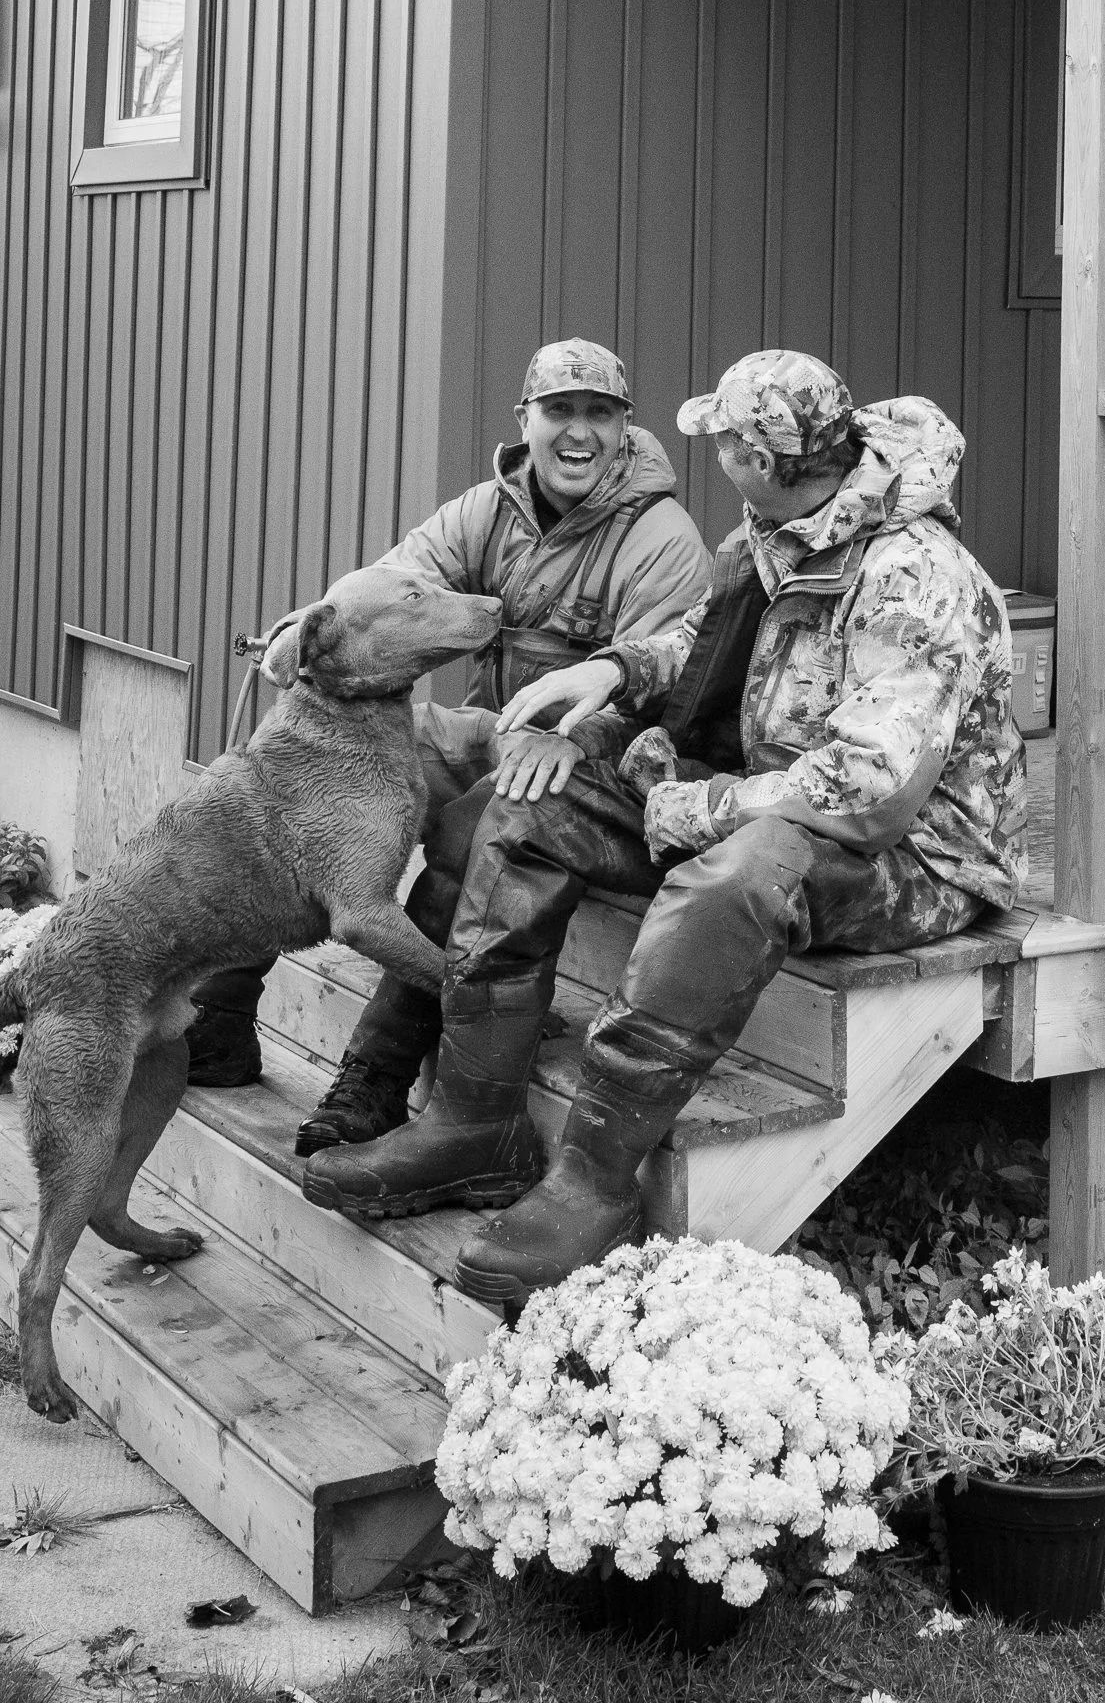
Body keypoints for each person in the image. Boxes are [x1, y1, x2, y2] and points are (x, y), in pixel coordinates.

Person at [302, 348, 1027, 1309]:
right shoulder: (777, 532)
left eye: (725, 441)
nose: (713, 455)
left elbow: (871, 789)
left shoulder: (914, 577)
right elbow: (699, 637)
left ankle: (593, 1179)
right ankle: (473, 1122)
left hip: (917, 857)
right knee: (530, 800)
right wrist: (610, 673)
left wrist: (693, 808)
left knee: (736, 873)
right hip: (774, 798)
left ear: (766, 456)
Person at [185, 340, 710, 1154]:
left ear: (625, 427)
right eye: (560, 412)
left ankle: (377, 1076)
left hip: (595, 760)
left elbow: (665, 696)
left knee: (471, 828)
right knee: (289, 766)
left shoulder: (661, 537)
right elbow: (392, 584)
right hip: (491, 733)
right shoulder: (487, 507)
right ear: (524, 422)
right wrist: (305, 627)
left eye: (600, 414)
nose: (580, 433)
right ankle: (218, 1020)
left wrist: (580, 739)